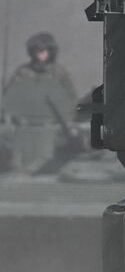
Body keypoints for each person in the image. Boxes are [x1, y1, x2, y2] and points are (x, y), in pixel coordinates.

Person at [1, 32, 79, 173]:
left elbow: (69, 100)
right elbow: (9, 99)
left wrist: (69, 123)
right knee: (17, 167)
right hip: (24, 127)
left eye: (43, 51)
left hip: (49, 128)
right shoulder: (23, 72)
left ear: (50, 51)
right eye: (36, 51)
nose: (39, 55)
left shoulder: (58, 73)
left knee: (45, 167)